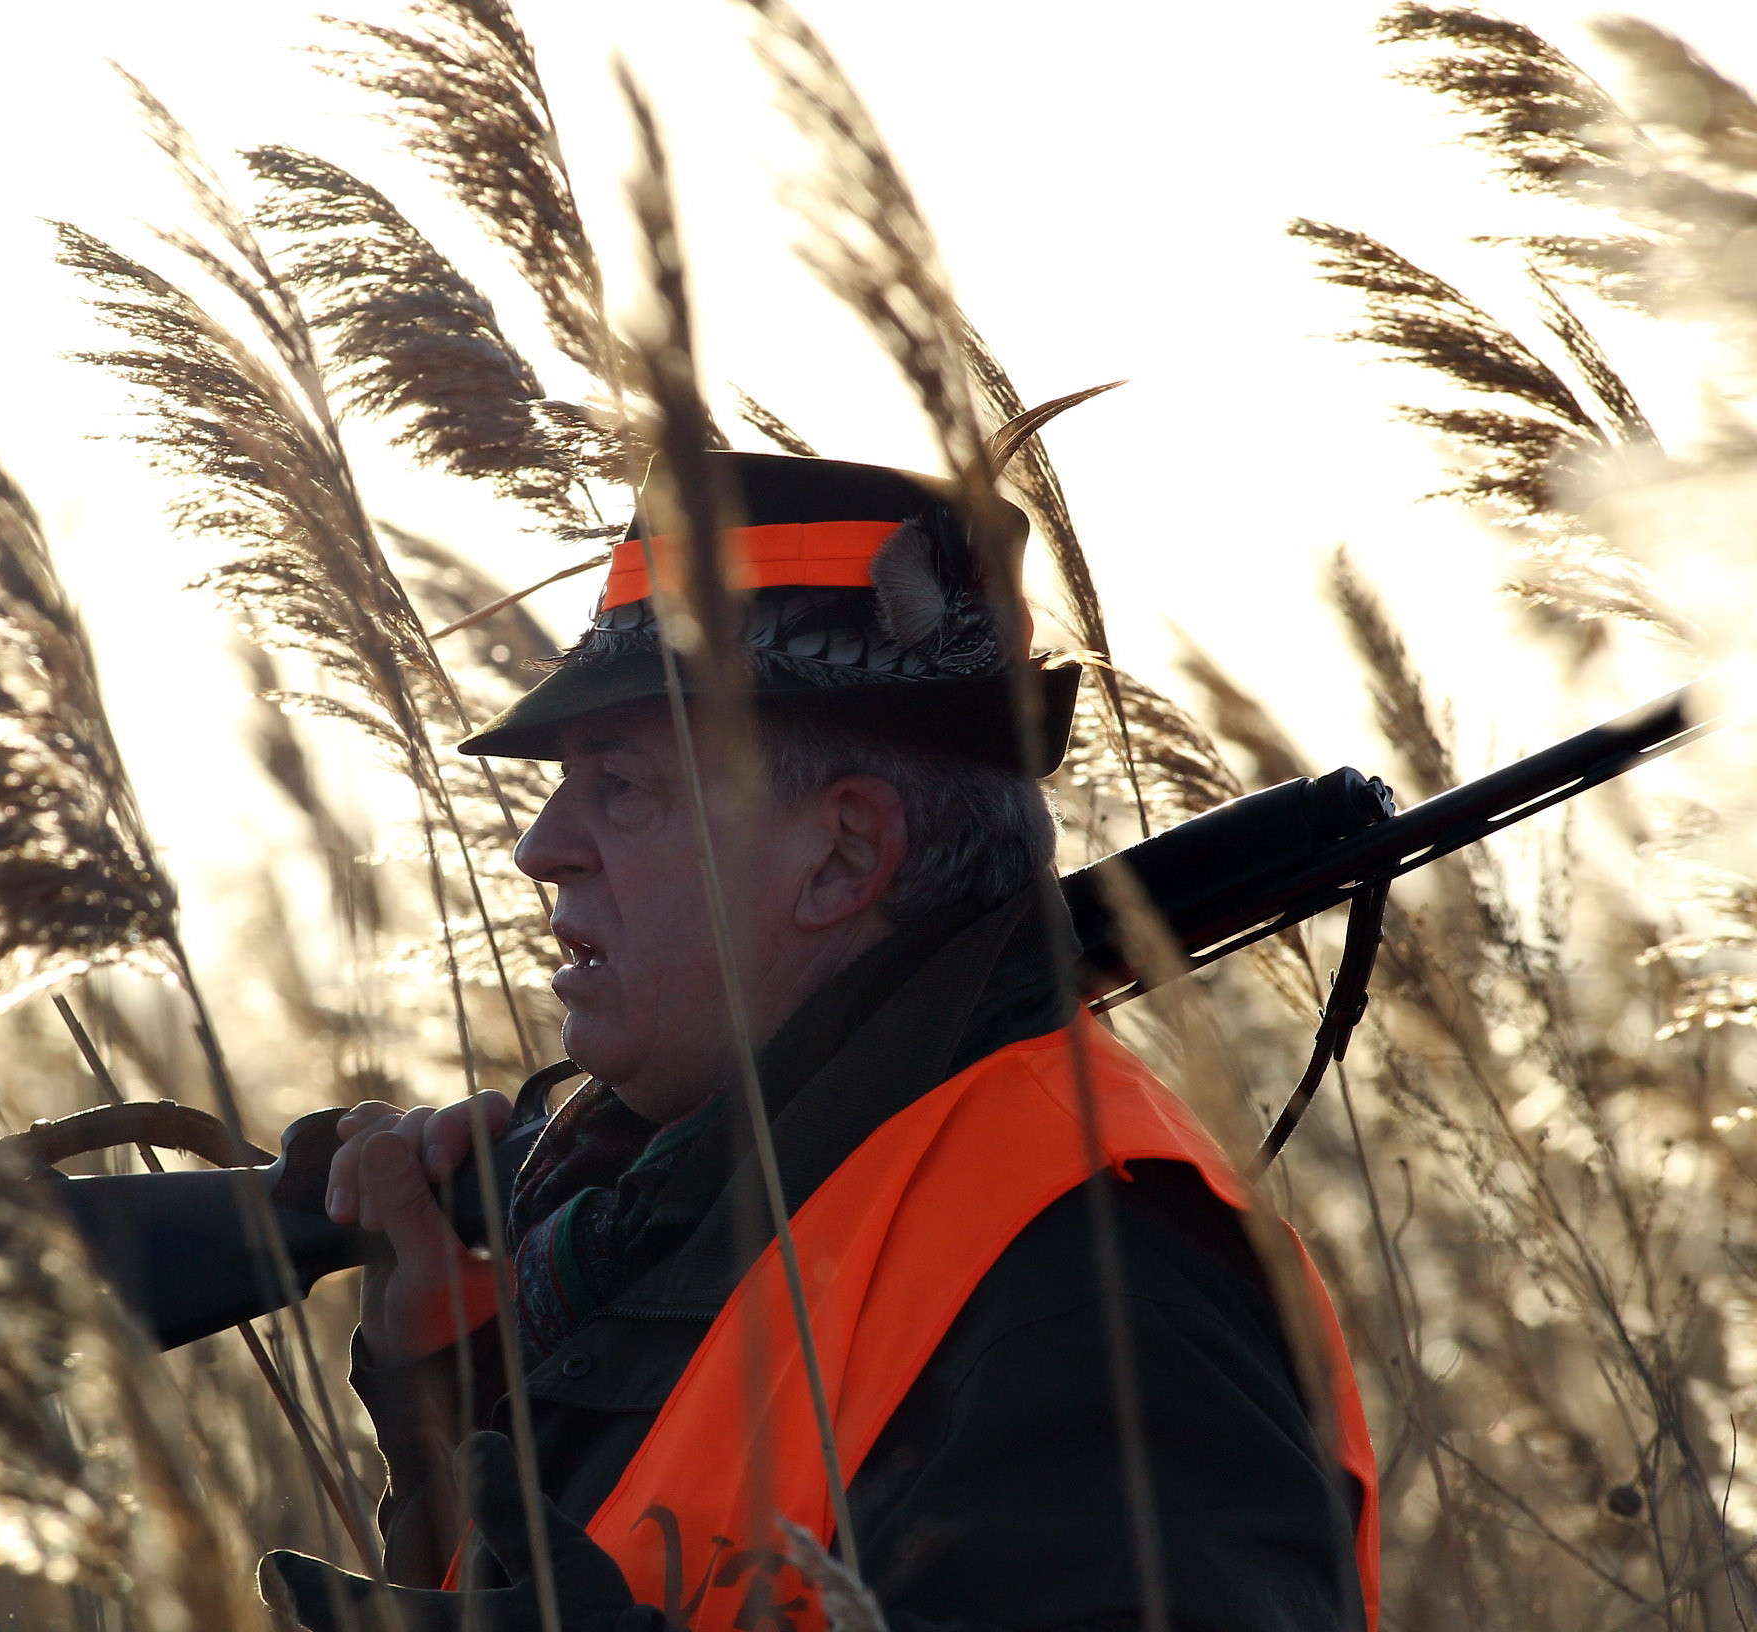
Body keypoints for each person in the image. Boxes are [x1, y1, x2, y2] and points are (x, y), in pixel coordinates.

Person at [261, 452, 1378, 1632]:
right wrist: (453, 1375)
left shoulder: (1087, 1267)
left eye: (622, 785)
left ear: (844, 853)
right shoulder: (700, 1206)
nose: (544, 847)